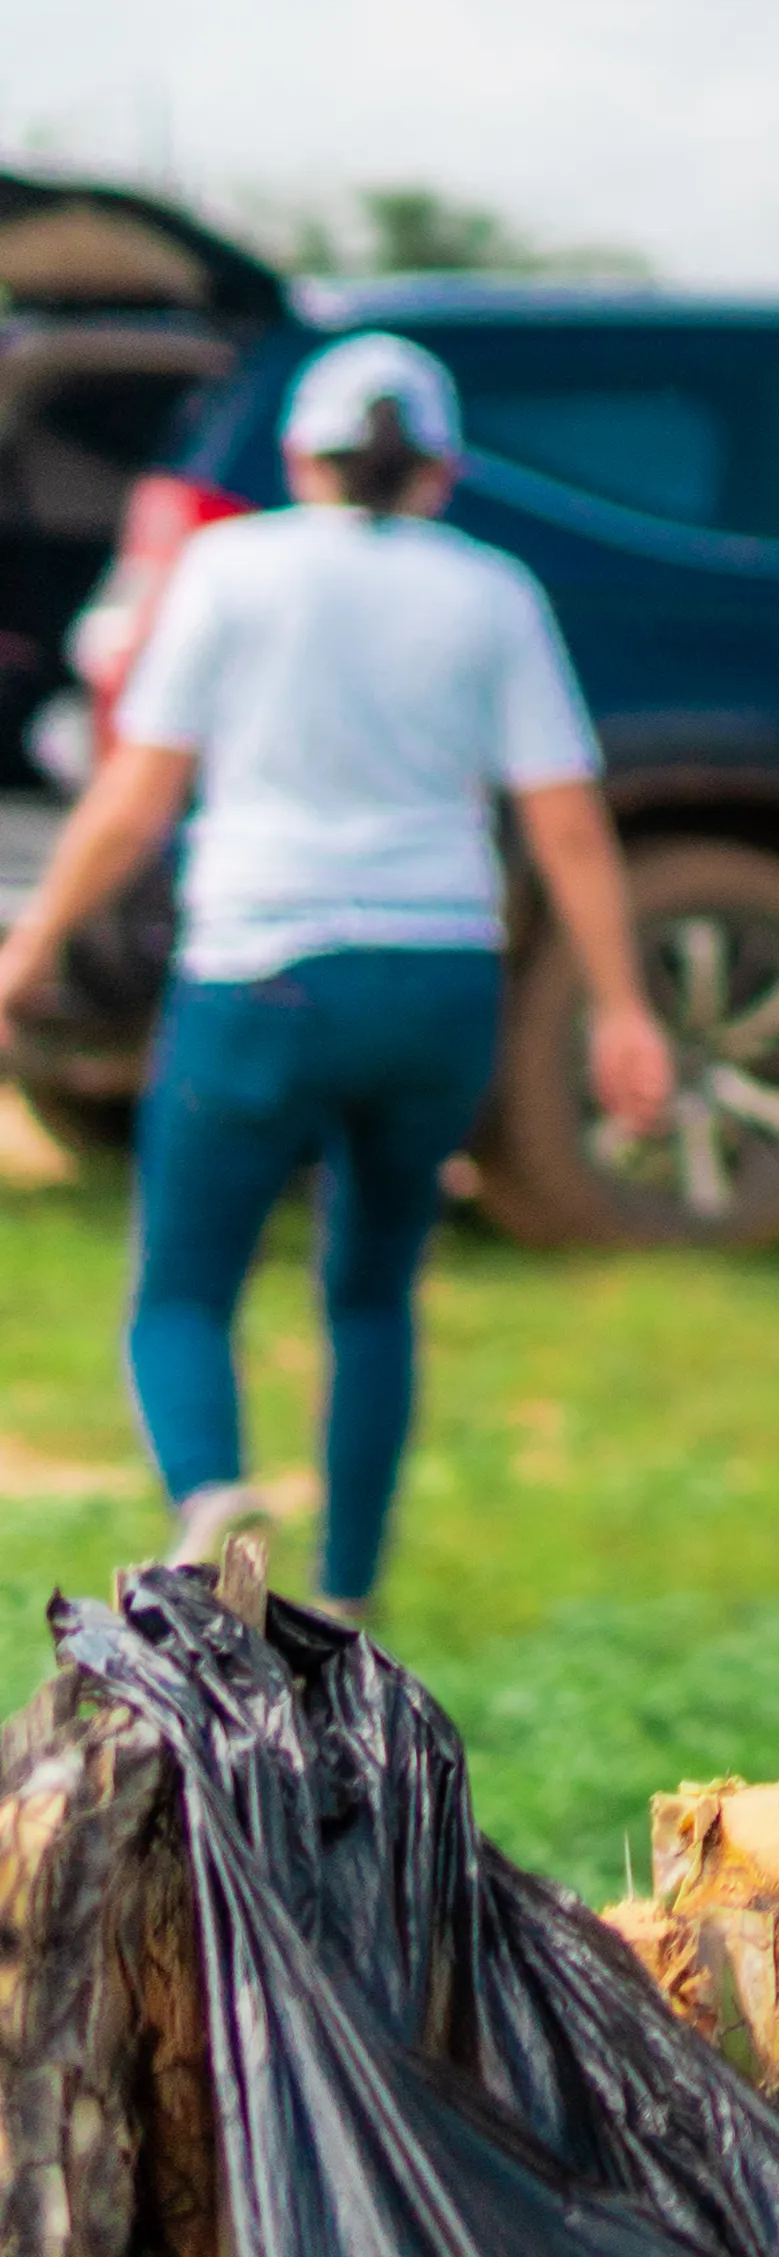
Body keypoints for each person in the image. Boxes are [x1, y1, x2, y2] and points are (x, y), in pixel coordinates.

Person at [0, 333, 678, 1622]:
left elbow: (137, 797)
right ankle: (350, 1592)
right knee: (371, 1290)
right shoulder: (492, 591)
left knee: (188, 1285)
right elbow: (567, 822)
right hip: (435, 980)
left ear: (298, 457)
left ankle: (210, 1501)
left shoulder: (226, 569)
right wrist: (625, 1011)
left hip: (261, 970)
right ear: (443, 468)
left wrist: (27, 951)